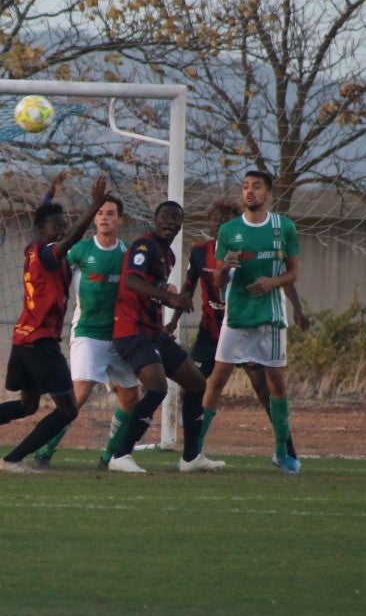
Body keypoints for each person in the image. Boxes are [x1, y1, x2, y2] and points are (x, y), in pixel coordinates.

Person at [0, 175, 110, 473]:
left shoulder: (32, 247)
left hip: (24, 339)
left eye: (63, 224)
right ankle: (13, 459)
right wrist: (94, 207)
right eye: (56, 227)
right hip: (40, 341)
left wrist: (50, 194)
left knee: (27, 406)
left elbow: (48, 222)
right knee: (67, 410)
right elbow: (67, 243)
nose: (62, 230)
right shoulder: (46, 253)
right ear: (42, 231)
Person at [168, 198, 309, 463]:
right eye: (213, 219)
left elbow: (283, 275)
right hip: (212, 332)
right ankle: (192, 447)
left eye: (223, 219)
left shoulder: (248, 247)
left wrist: (298, 309)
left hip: (245, 325)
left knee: (265, 388)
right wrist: (174, 320)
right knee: (195, 382)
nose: (217, 223)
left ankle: (286, 449)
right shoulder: (200, 252)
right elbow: (189, 286)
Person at [29, 176, 142, 470]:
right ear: (93, 219)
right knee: (77, 397)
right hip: (88, 334)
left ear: (120, 220)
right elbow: (51, 256)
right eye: (100, 213)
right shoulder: (80, 251)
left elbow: (145, 281)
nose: (104, 218)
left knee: (131, 398)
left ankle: (109, 457)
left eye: (110, 214)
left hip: (119, 336)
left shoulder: (128, 254)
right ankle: (44, 451)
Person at [196, 169, 302, 474]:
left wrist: (272, 283)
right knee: (217, 379)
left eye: (256, 187)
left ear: (268, 193)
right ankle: (195, 449)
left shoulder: (284, 227)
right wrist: (225, 269)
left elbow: (293, 273)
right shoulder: (229, 231)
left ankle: (282, 452)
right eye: (245, 187)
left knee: (277, 382)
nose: (249, 191)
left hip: (270, 316)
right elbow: (217, 279)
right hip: (238, 316)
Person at [104, 201, 217, 473]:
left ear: (181, 224)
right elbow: (131, 281)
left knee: (196, 382)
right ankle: (120, 455)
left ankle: (191, 458)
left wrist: (167, 300)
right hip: (132, 330)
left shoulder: (169, 255)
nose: (170, 221)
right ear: (155, 219)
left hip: (153, 331)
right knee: (157, 387)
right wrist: (169, 296)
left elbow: (150, 289)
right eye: (164, 216)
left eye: (175, 218)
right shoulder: (145, 246)